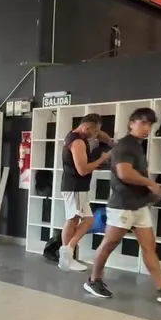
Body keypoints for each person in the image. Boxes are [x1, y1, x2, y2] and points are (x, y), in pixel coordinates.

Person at [83, 107, 161, 303]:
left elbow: (135, 174)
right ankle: (93, 281)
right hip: (123, 205)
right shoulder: (125, 145)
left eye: (149, 124)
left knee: (149, 246)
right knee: (109, 244)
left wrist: (152, 190)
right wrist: (152, 184)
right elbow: (124, 173)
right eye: (142, 123)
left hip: (139, 204)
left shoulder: (136, 146)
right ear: (131, 124)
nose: (146, 128)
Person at [47, 114, 112, 271]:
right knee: (72, 219)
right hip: (74, 186)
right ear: (86, 127)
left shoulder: (80, 135)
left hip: (79, 187)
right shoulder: (77, 142)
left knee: (88, 220)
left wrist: (113, 143)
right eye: (95, 132)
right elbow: (83, 170)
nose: (96, 136)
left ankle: (68, 250)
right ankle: (66, 257)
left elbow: (101, 135)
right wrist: (102, 159)